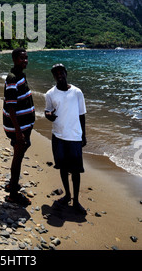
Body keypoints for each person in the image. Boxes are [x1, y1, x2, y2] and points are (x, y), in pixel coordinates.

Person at [45, 63, 87, 215]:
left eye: (61, 72)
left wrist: (83, 135)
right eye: (56, 73)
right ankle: (67, 195)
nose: (59, 75)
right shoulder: (50, 94)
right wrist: (49, 116)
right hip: (58, 136)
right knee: (62, 167)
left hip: (75, 136)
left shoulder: (77, 92)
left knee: (75, 171)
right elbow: (47, 111)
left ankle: (76, 200)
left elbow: (82, 114)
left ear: (66, 73)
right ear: (54, 76)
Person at [2, 47, 35, 206]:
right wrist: (19, 132)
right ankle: (13, 194)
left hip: (22, 126)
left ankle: (12, 185)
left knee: (19, 154)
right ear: (15, 59)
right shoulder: (12, 78)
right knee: (18, 156)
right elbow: (11, 107)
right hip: (18, 128)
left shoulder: (20, 75)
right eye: (22, 58)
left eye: (26, 58)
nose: (25, 61)